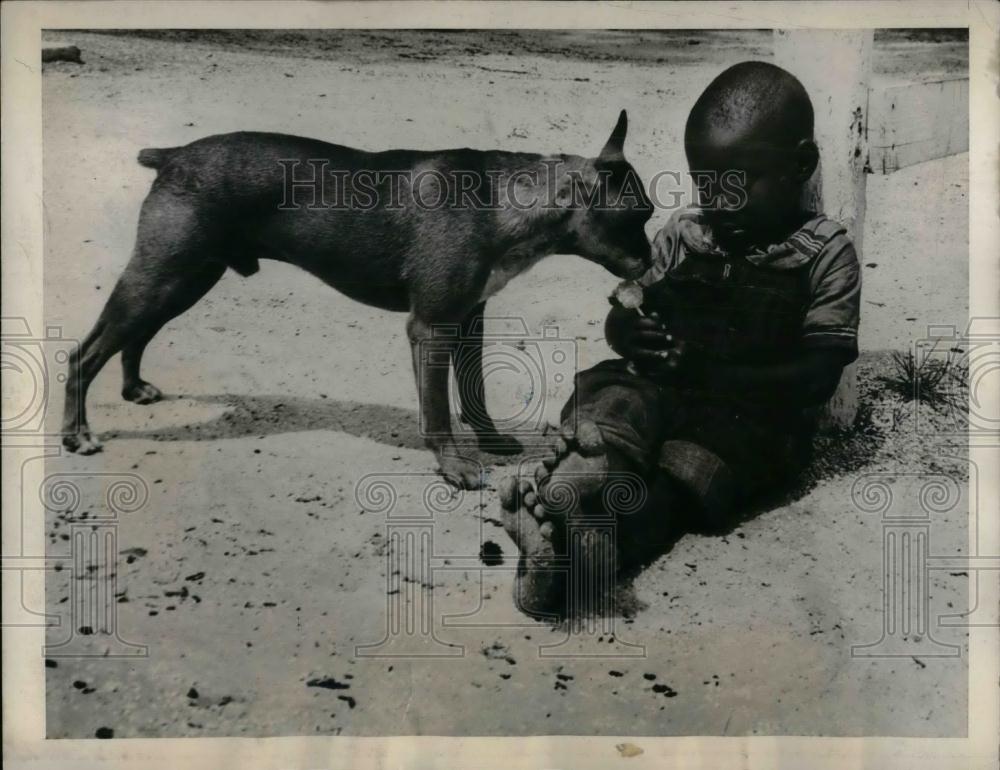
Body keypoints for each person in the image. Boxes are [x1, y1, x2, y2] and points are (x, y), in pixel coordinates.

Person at [499, 60, 862, 617]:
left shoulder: (823, 254)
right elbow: (623, 311)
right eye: (706, 184)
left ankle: (580, 554)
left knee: (682, 484)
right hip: (657, 390)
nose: (720, 202)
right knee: (616, 398)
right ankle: (585, 477)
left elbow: (818, 375)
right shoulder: (686, 237)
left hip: (745, 417)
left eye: (740, 184)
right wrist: (628, 333)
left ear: (801, 164)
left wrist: (711, 375)